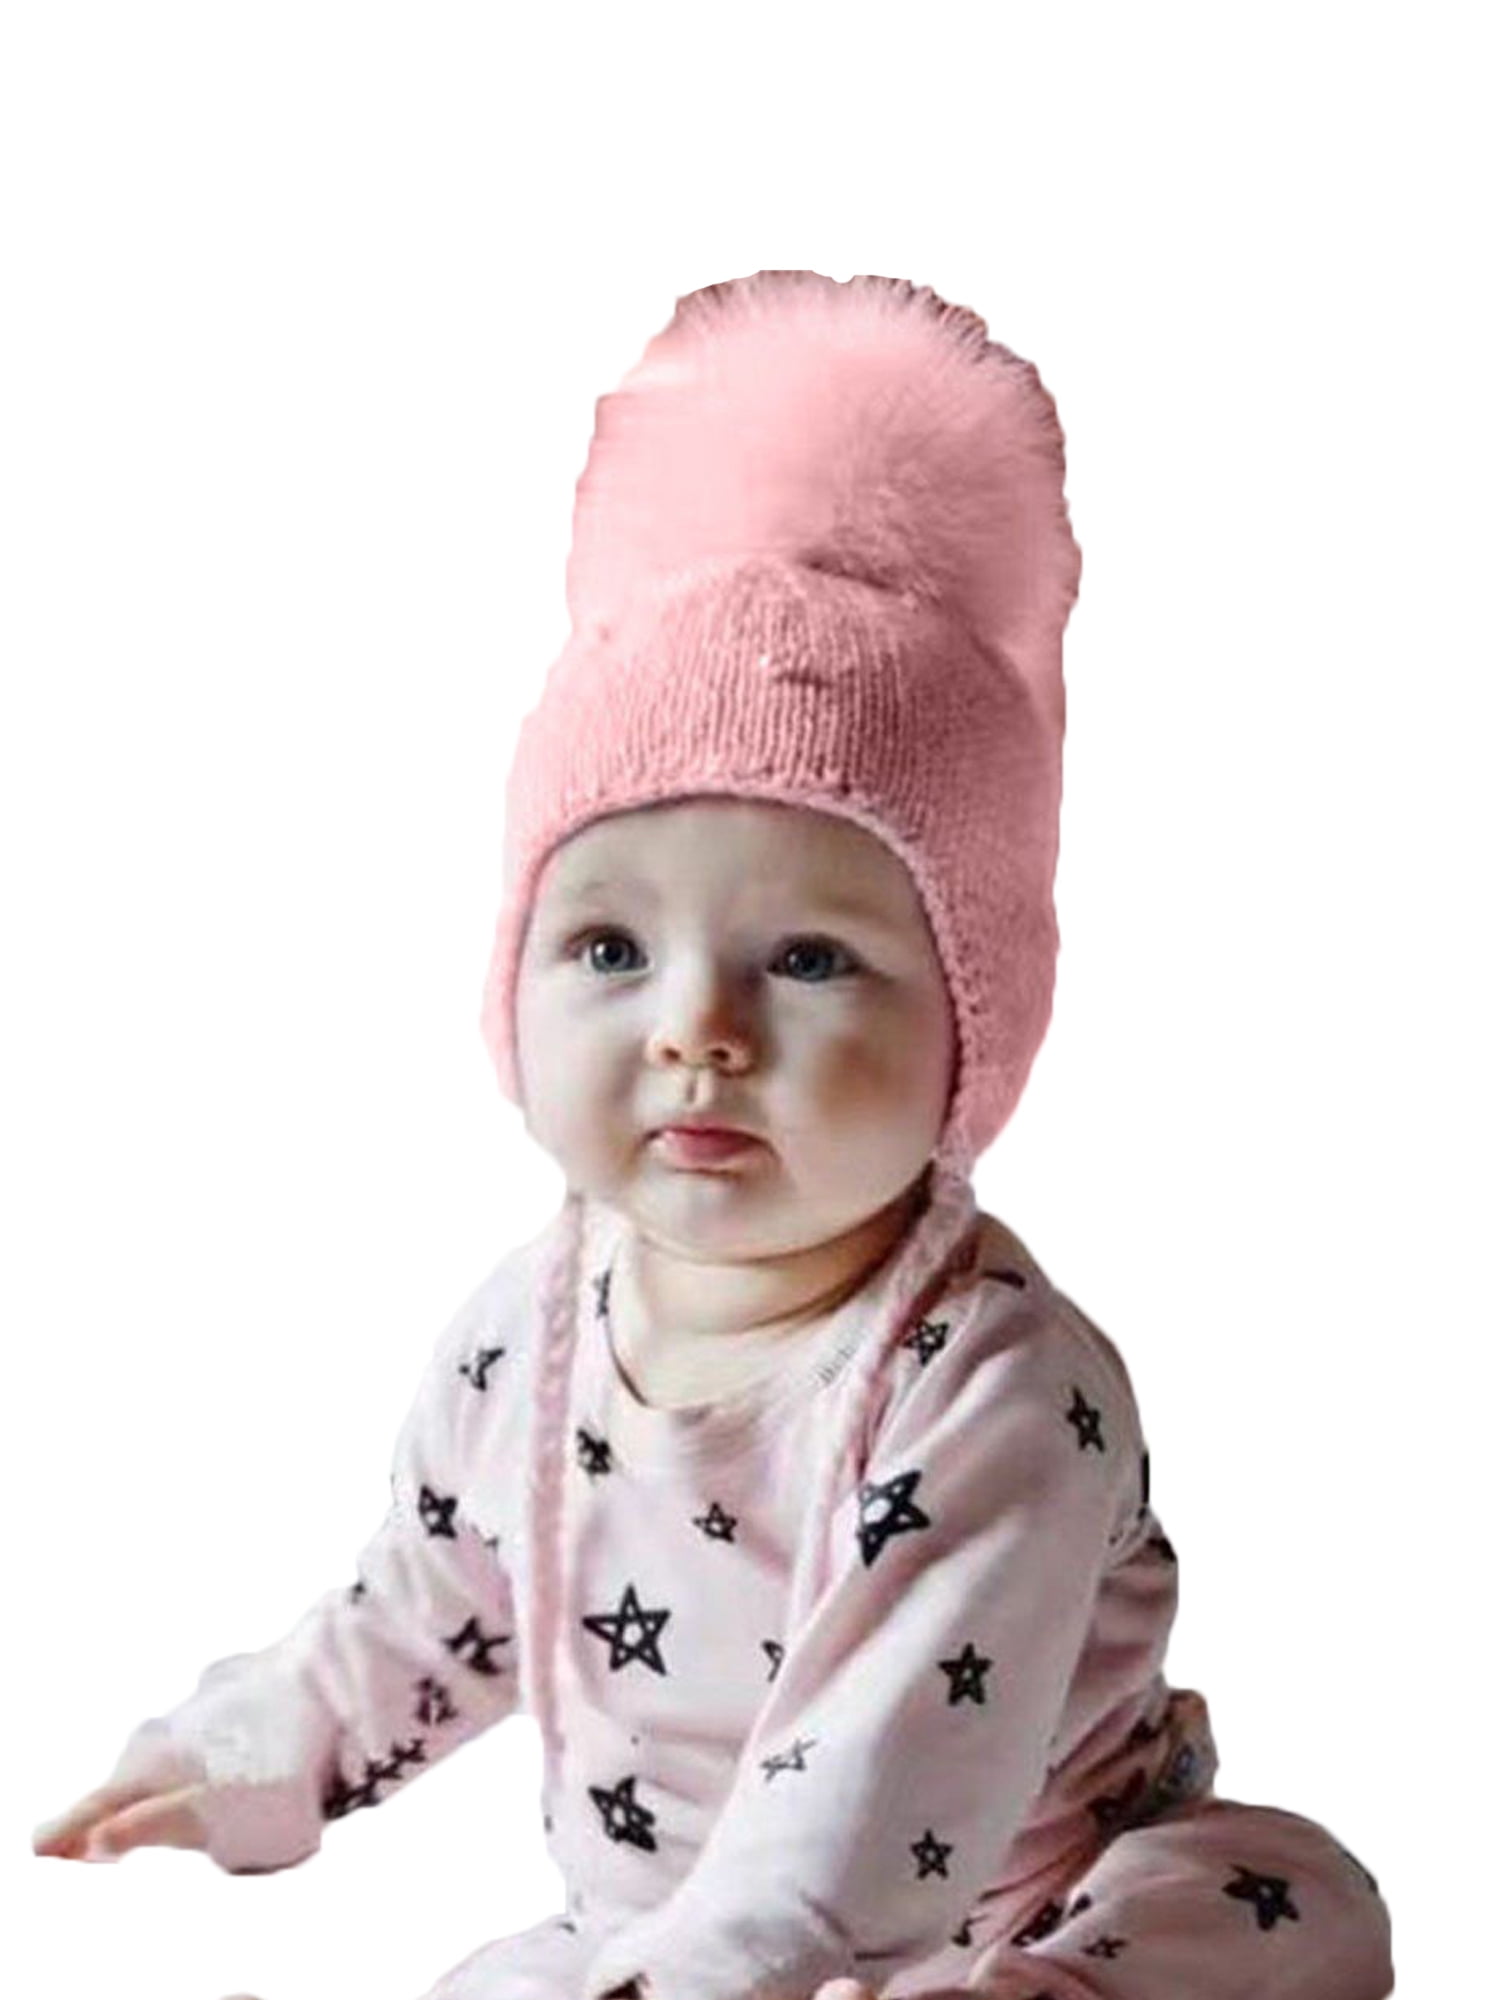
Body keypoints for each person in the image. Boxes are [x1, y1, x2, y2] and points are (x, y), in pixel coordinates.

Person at [32, 270, 1394, 2000]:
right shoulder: (530, 1331)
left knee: (1281, 1903)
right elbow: (428, 1606)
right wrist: (247, 1751)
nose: (698, 1032)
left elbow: (881, 1776)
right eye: (611, 950)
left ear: (971, 1024)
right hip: (655, 1932)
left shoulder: (993, 1383)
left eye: (809, 960)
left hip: (1012, 1898)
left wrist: (735, 1964)